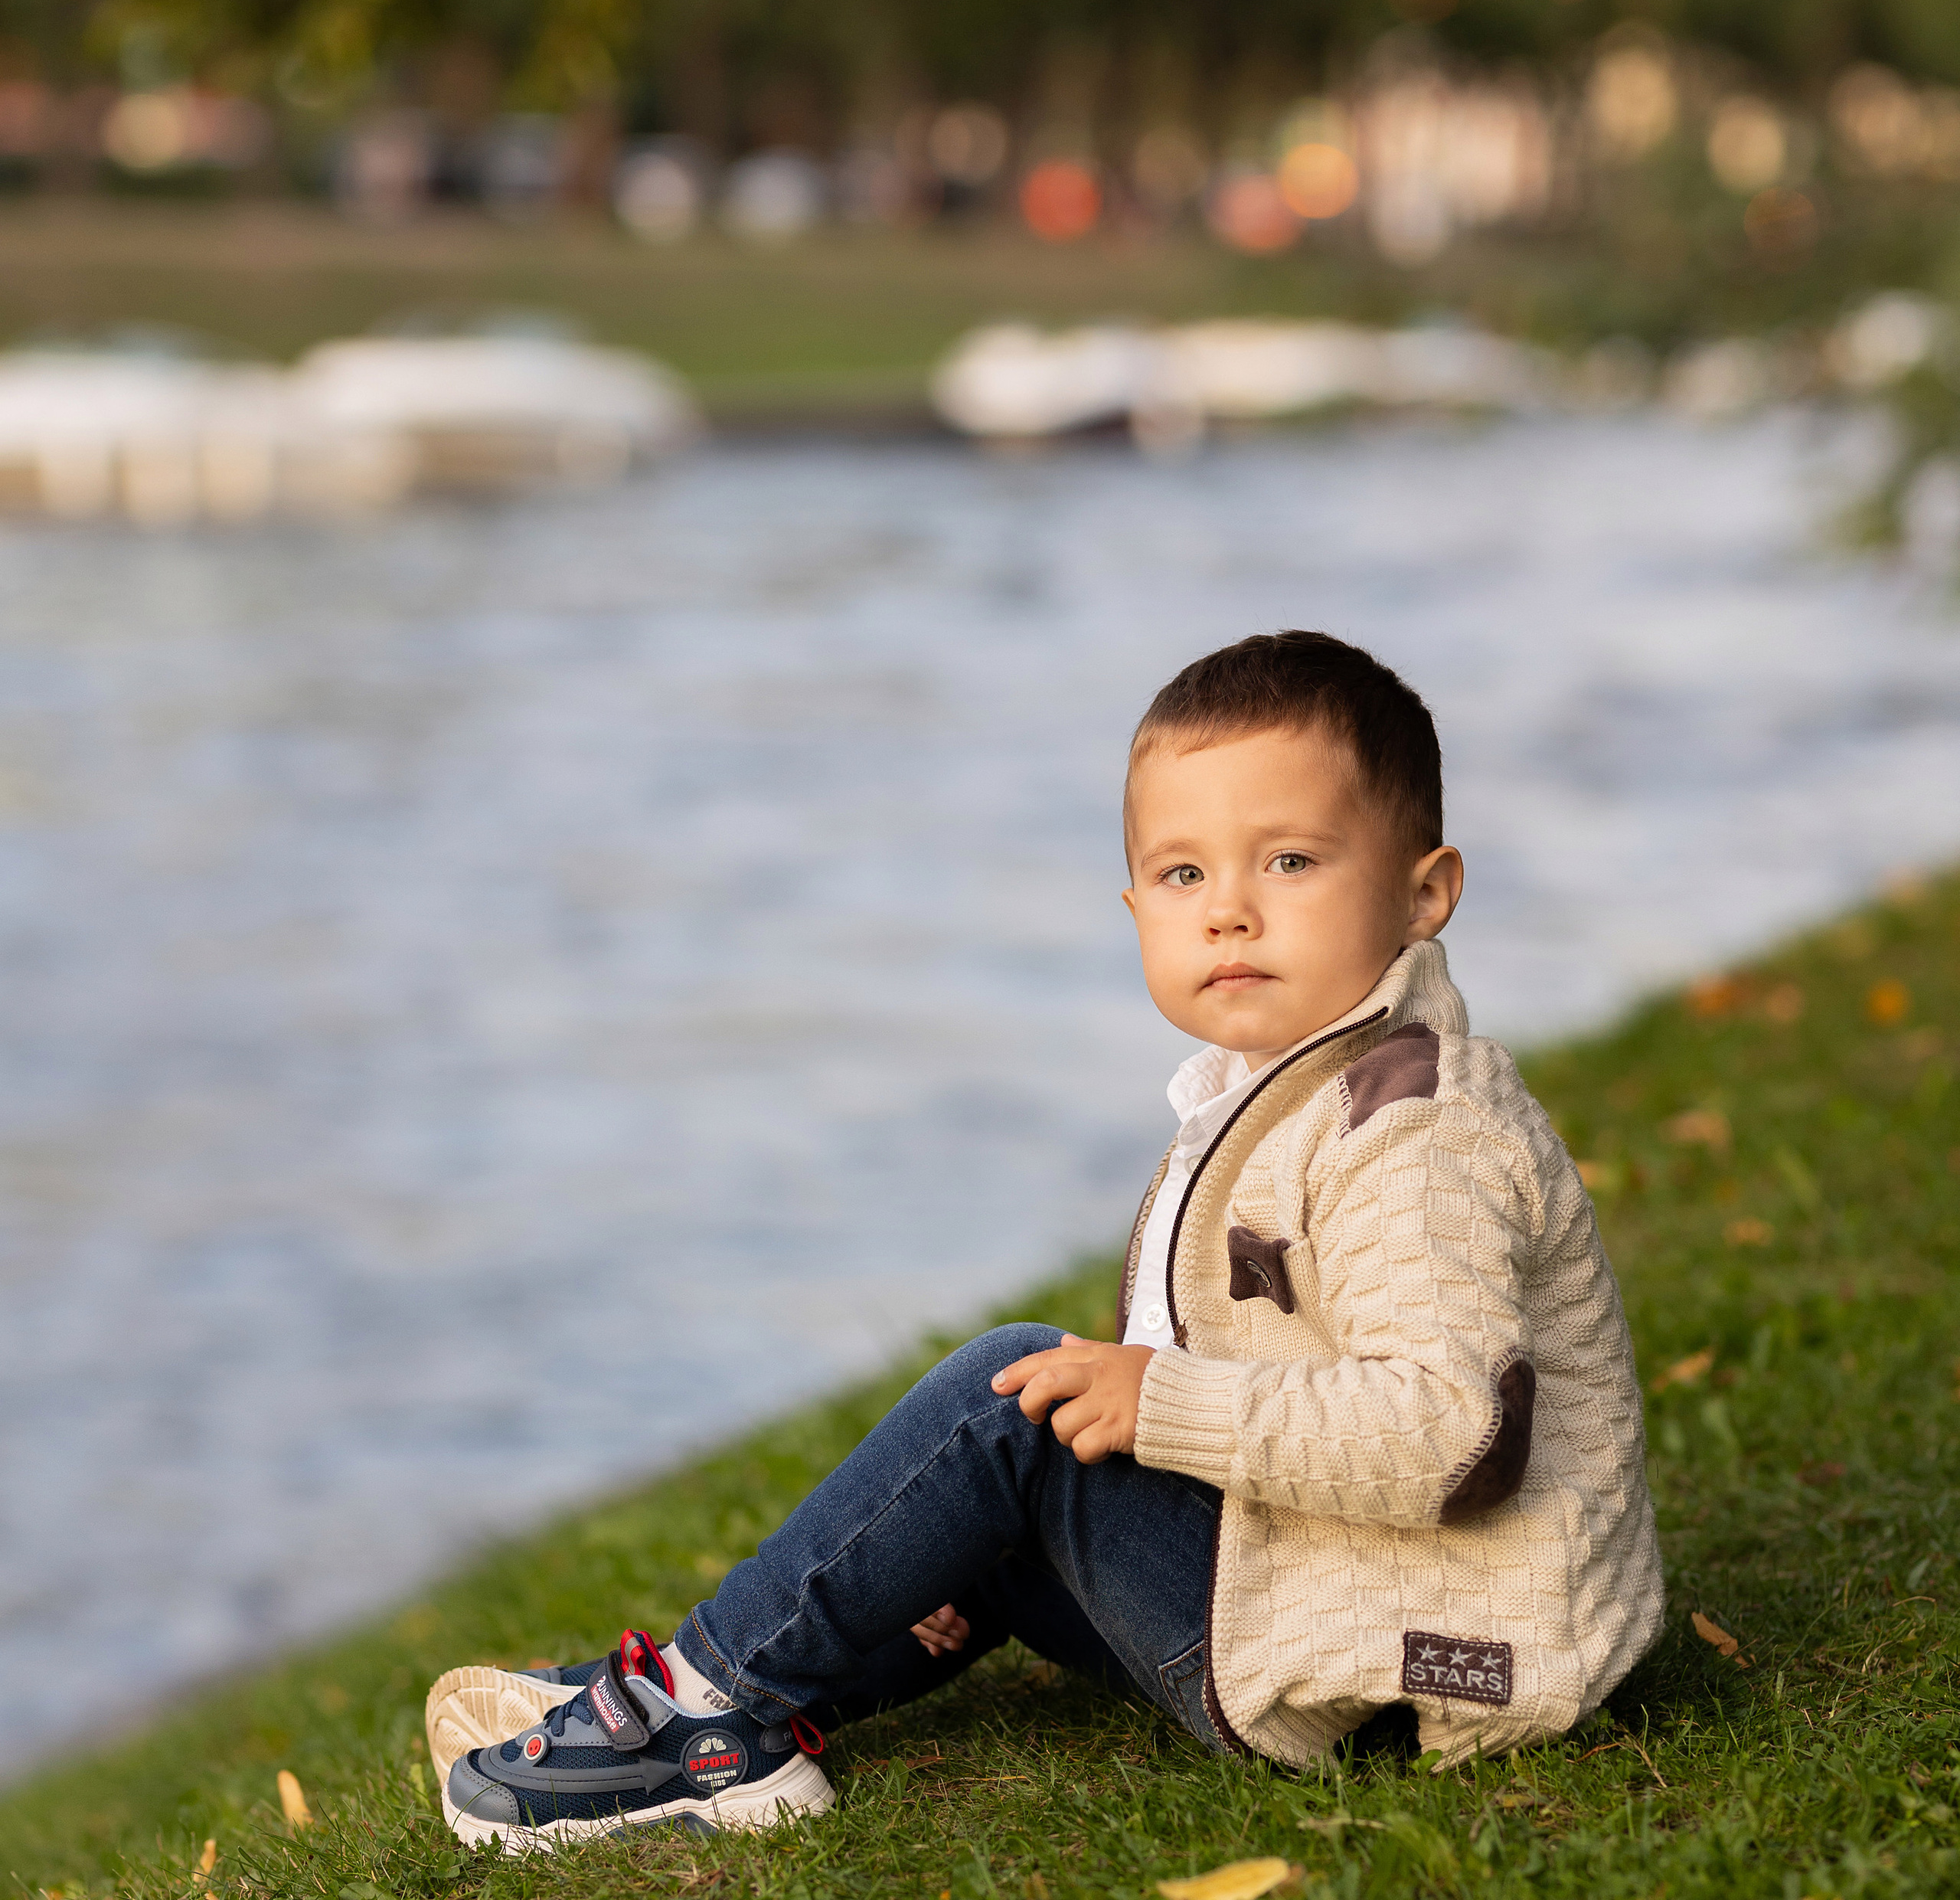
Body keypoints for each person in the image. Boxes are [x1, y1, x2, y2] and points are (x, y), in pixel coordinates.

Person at [424, 630, 1664, 1849]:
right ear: (1135, 905)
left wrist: (1165, 1404)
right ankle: (719, 1690)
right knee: (1001, 1493)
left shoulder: (1412, 1136)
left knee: (1005, 1401)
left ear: (1424, 890)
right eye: (1183, 877)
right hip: (1337, 1599)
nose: (1228, 913)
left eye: (1288, 861)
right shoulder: (1289, 1086)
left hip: (1427, 1662)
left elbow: (1457, 1436)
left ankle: (701, 1718)